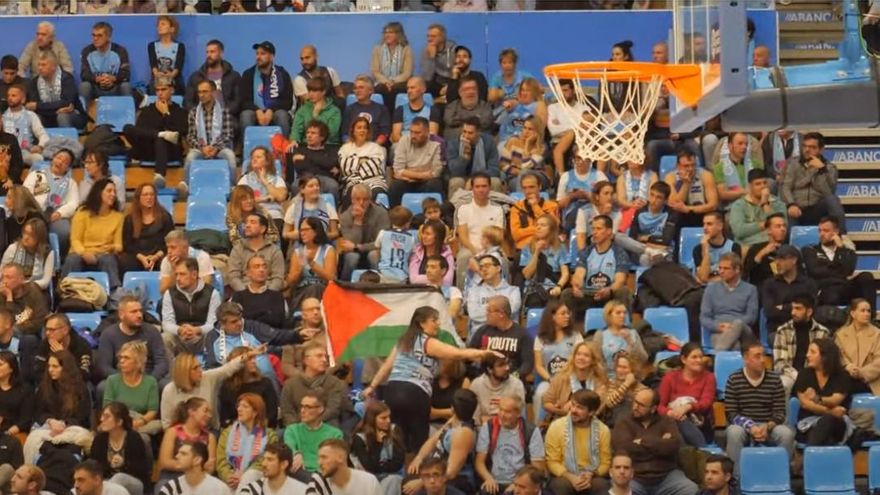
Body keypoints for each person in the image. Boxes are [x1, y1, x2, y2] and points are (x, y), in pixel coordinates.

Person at [363, 306, 500, 453]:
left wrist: (372, 387)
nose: (438, 324)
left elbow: (386, 366)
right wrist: (485, 353)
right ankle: (415, 467)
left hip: (392, 391)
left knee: (398, 440)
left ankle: (399, 466)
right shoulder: (427, 342)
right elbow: (458, 354)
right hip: (415, 393)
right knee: (418, 445)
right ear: (422, 323)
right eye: (434, 320)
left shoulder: (403, 340)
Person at [723, 341, 793, 478]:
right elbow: (731, 414)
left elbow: (780, 413)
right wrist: (750, 426)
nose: (762, 360)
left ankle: (780, 477)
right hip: (744, 426)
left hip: (769, 425)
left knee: (786, 434)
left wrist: (767, 426)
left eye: (763, 355)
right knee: (734, 432)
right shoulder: (734, 379)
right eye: (757, 356)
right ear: (746, 358)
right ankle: (736, 479)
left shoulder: (774, 379)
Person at [611, 388, 697, 495]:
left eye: (641, 405)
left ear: (653, 409)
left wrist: (643, 441)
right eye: (635, 402)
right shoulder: (624, 423)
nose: (635, 407)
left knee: (691, 489)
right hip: (635, 477)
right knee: (620, 490)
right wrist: (660, 444)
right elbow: (623, 449)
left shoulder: (666, 421)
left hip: (666, 476)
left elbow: (673, 446)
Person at [23, 350, 92, 464]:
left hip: (71, 428)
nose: (50, 370)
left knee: (74, 445)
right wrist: (50, 421)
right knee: (34, 442)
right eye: (49, 366)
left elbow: (82, 417)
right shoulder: (44, 387)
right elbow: (38, 413)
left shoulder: (80, 389)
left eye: (55, 366)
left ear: (66, 368)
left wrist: (63, 424)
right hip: (47, 428)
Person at [405, 388, 479, 495]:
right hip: (436, 470)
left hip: (456, 480)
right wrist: (419, 457)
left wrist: (422, 482)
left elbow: (451, 472)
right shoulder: (453, 420)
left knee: (410, 488)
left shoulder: (464, 433)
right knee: (408, 478)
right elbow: (433, 440)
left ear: (452, 408)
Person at [803, 216, 876, 314]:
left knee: (866, 276)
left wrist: (841, 248)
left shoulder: (847, 251)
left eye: (826, 230)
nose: (822, 234)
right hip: (825, 289)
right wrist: (839, 270)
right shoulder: (810, 250)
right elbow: (815, 272)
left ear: (836, 232)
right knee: (832, 294)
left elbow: (848, 270)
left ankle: (871, 317)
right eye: (820, 231)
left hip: (844, 288)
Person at [60, 177, 123, 289]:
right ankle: (65, 291)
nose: (113, 194)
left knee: (108, 260)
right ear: (99, 192)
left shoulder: (118, 217)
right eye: (109, 191)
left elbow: (119, 245)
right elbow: (75, 240)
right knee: (72, 260)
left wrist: (113, 247)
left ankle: (114, 292)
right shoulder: (82, 212)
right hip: (81, 252)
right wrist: (84, 253)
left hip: (103, 254)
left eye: (114, 191)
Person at [545, 389, 610, 495]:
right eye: (573, 405)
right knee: (560, 486)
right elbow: (552, 461)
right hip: (564, 475)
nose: (573, 410)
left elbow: (605, 463)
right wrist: (571, 477)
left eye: (580, 408)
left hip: (591, 476)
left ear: (591, 412)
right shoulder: (556, 426)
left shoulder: (603, 430)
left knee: (602, 486)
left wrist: (591, 474)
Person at [564, 215, 631, 315]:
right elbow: (578, 274)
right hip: (588, 294)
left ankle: (623, 322)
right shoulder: (586, 252)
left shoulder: (619, 253)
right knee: (567, 293)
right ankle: (570, 324)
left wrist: (609, 290)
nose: (594, 232)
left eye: (598, 229)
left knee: (623, 291)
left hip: (609, 295)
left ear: (609, 231)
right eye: (593, 229)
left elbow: (620, 280)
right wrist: (577, 285)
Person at [780, 132, 846, 229]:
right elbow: (785, 187)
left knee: (832, 199)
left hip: (817, 209)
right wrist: (791, 204)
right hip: (797, 207)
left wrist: (821, 170)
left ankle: (841, 234)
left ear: (821, 150)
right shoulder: (792, 163)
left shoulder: (829, 168)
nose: (807, 150)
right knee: (788, 212)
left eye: (812, 147)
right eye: (804, 146)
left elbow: (828, 192)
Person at [794, 338, 852, 446]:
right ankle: (814, 452)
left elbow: (835, 400)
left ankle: (809, 454)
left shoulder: (842, 375)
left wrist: (817, 399)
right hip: (808, 422)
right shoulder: (804, 374)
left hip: (837, 423)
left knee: (828, 421)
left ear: (825, 356)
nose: (807, 355)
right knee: (826, 437)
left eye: (812, 352)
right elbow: (805, 404)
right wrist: (830, 411)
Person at [96, 295, 169, 383]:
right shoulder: (108, 334)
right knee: (102, 387)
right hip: (120, 378)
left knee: (166, 385)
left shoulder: (152, 331)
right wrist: (125, 380)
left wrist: (149, 381)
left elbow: (161, 362)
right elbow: (104, 367)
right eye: (133, 312)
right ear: (121, 315)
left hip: (148, 377)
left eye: (140, 311)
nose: (139, 315)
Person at [217, 393, 277, 493]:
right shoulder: (227, 433)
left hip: (257, 475)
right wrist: (228, 476)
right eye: (238, 406)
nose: (239, 409)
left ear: (255, 412)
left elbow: (266, 460)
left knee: (249, 476)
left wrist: (243, 474)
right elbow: (221, 461)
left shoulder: (269, 435)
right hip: (232, 476)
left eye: (245, 406)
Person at [21, 149, 77, 256]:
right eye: (59, 158)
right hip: (35, 212)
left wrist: (59, 213)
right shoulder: (36, 175)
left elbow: (73, 203)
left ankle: (58, 258)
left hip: (56, 215)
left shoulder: (71, 183)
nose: (60, 162)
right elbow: (25, 193)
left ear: (68, 168)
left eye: (65, 162)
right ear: (53, 158)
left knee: (64, 230)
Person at [161, 257, 222, 356]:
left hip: (202, 337)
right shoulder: (169, 293)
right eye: (176, 274)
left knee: (215, 335)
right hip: (180, 336)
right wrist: (180, 330)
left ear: (194, 274)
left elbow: (214, 323)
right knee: (165, 338)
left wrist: (197, 330)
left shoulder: (212, 293)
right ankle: (171, 366)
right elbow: (167, 323)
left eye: (182, 274)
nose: (178, 278)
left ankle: (211, 364)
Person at [658, 343, 715, 447]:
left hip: (700, 423)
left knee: (680, 422)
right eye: (694, 357)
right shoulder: (670, 378)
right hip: (672, 421)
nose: (699, 360)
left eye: (701, 357)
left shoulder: (709, 377)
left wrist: (687, 407)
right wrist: (671, 413)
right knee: (679, 420)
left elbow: (706, 403)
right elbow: (660, 406)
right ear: (684, 359)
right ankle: (701, 449)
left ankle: (699, 448)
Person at [280, 340, 347, 426]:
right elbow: (287, 412)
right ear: (306, 360)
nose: (324, 360)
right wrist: (297, 428)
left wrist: (311, 425)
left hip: (325, 427)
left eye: (325, 357)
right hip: (297, 429)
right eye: (319, 356)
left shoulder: (335, 383)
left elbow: (332, 410)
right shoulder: (290, 384)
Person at [454, 172, 505, 287]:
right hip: (470, 248)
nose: (481, 190)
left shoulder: (498, 209)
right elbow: (462, 235)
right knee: (463, 257)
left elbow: (499, 235)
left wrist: (488, 251)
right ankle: (461, 293)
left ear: (489, 188)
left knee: (504, 260)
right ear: (472, 188)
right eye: (477, 186)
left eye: (484, 186)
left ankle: (502, 292)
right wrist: (475, 251)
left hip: (492, 248)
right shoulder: (463, 208)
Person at [700, 252, 758, 351]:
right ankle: (722, 353)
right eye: (720, 268)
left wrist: (732, 326)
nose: (721, 271)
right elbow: (704, 317)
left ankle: (718, 355)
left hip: (743, 331)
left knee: (738, 323)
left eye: (726, 268)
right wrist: (718, 327)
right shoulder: (710, 289)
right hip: (720, 331)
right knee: (735, 346)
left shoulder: (751, 289)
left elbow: (751, 317)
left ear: (737, 269)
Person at [102, 341, 162, 436]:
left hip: (140, 422)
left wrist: (139, 422)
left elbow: (152, 411)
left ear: (138, 362)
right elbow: (108, 407)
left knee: (157, 426)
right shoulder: (112, 380)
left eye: (126, 358)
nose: (121, 361)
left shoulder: (151, 382)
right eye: (121, 357)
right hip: (118, 421)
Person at [91, 403, 152, 495]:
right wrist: (108, 465)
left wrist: (124, 463)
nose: (101, 419)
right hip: (107, 481)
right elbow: (93, 467)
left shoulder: (134, 438)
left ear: (119, 421)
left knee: (119, 478)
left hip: (134, 483)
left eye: (107, 416)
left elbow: (142, 470)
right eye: (102, 416)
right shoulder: (99, 439)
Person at [184, 80, 236, 187]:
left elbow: (228, 135)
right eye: (199, 92)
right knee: (190, 157)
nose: (201, 95)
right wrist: (202, 148)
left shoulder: (224, 111)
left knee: (230, 156)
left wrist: (215, 148)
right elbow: (191, 136)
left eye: (205, 91)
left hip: (219, 149)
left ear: (213, 93)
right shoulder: (193, 112)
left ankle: (232, 187)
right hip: (200, 149)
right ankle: (187, 187)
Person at [469, 296, 533, 378]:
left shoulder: (522, 334)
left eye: (489, 311)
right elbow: (469, 355)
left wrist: (513, 378)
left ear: (501, 314)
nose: (486, 314)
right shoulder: (483, 331)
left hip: (511, 379)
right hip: (485, 379)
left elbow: (528, 364)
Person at [542, 341, 607, 421]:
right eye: (578, 354)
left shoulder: (599, 381)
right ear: (574, 357)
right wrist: (562, 411)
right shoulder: (561, 378)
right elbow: (547, 402)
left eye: (586, 355)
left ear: (593, 360)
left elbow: (600, 408)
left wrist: (577, 408)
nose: (581, 358)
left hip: (591, 422)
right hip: (563, 421)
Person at [761, 245, 818, 336]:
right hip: (778, 330)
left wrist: (784, 307)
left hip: (803, 329)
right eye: (776, 259)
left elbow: (811, 310)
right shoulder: (769, 284)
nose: (777, 263)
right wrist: (798, 310)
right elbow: (770, 312)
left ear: (794, 260)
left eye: (782, 259)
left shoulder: (809, 284)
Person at [350, 401, 405, 495]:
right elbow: (369, 467)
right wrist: (378, 444)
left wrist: (379, 467)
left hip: (392, 475)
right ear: (372, 419)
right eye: (383, 418)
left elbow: (398, 463)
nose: (388, 421)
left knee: (393, 480)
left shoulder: (394, 430)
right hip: (367, 478)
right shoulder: (359, 438)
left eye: (389, 417)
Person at [239, 41, 293, 137]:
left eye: (262, 54)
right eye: (257, 54)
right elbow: (243, 101)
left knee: (282, 115)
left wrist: (271, 110)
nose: (258, 57)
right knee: (246, 115)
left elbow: (288, 102)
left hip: (275, 111)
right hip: (254, 111)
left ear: (271, 57)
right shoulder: (248, 74)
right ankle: (248, 146)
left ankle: (283, 146)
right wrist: (257, 111)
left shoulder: (282, 74)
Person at [120, 183, 174, 276]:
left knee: (166, 262)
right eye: (145, 195)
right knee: (125, 262)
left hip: (159, 255)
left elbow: (170, 241)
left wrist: (156, 256)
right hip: (137, 256)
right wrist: (142, 258)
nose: (149, 197)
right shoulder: (130, 219)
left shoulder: (165, 217)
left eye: (152, 194)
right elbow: (127, 245)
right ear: (139, 198)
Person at [338, 184, 389, 281]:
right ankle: (345, 285)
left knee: (373, 255)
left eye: (365, 199)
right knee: (352, 257)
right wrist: (358, 221)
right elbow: (349, 244)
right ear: (352, 200)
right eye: (357, 199)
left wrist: (357, 247)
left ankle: (381, 284)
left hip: (372, 250)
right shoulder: (345, 216)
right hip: (354, 252)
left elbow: (381, 243)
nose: (361, 203)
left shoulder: (381, 213)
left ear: (370, 200)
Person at [218, 347, 279, 429]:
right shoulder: (228, 387)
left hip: (262, 429)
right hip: (235, 430)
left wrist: (256, 429)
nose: (254, 362)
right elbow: (225, 418)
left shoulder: (265, 383)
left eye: (254, 358)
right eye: (250, 359)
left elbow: (272, 414)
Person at [389, 117, 444, 206]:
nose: (413, 136)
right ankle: (395, 213)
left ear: (427, 132)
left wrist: (408, 172)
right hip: (407, 182)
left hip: (425, 183)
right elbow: (398, 169)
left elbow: (436, 172)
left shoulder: (436, 143)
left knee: (435, 183)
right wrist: (421, 175)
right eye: (411, 132)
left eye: (417, 133)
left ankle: (432, 212)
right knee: (396, 185)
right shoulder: (404, 140)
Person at [285, 217, 337, 307]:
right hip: (302, 291)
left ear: (316, 231)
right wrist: (299, 270)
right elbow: (290, 281)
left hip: (323, 291)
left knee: (316, 288)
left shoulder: (328, 250)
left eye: (306, 230)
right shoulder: (298, 252)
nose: (302, 233)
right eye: (301, 230)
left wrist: (312, 263)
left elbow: (331, 278)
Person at [227, 212, 286, 293]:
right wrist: (246, 293)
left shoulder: (274, 250)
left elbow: (278, 279)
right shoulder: (238, 249)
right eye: (246, 222)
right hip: (244, 292)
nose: (247, 225)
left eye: (253, 222)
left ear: (263, 229)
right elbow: (233, 277)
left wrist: (267, 294)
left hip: (269, 292)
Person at [26, 52, 86, 129]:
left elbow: (66, 103)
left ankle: (66, 137)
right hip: (47, 117)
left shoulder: (67, 79)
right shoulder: (34, 82)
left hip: (73, 115)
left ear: (53, 66)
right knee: (35, 118)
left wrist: (39, 106)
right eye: (39, 65)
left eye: (43, 65)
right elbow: (33, 106)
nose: (40, 68)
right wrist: (54, 111)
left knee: (62, 116)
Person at [465, 256, 522, 337]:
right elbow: (474, 314)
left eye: (487, 266)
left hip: (507, 337)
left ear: (498, 268)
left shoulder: (513, 291)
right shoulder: (474, 291)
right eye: (481, 267)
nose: (484, 269)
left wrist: (488, 312)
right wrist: (498, 314)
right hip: (481, 336)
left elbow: (509, 312)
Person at [728, 169, 786, 248]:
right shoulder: (738, 205)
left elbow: (781, 231)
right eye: (758, 184)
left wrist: (765, 204)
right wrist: (765, 225)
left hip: (773, 245)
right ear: (750, 186)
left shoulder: (778, 203)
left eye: (765, 183)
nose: (763, 186)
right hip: (747, 247)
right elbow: (739, 231)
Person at [184, 39, 242, 118]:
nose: (209, 55)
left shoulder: (233, 76)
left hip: (226, 116)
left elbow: (237, 101)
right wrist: (200, 112)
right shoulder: (196, 77)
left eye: (212, 52)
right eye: (207, 52)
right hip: (201, 117)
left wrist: (223, 112)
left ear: (221, 54)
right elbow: (188, 101)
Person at [834, 298, 880, 395]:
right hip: (847, 377)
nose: (867, 314)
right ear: (853, 313)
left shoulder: (877, 334)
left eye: (868, 311)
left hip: (871, 382)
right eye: (862, 311)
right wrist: (848, 366)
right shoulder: (841, 334)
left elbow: (878, 362)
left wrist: (861, 372)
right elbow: (839, 355)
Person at [338, 117, 388, 205]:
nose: (362, 130)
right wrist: (364, 161)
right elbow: (345, 168)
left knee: (377, 193)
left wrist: (353, 162)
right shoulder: (345, 148)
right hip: (353, 181)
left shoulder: (376, 148)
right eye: (359, 127)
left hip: (374, 181)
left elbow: (375, 169)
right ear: (353, 131)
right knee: (352, 193)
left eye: (365, 128)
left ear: (368, 131)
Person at [663, 148, 719, 228]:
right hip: (680, 215)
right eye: (686, 166)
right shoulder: (670, 177)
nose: (690, 169)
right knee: (673, 216)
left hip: (700, 213)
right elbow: (675, 204)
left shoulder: (706, 175)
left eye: (693, 165)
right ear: (678, 166)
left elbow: (713, 205)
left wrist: (688, 209)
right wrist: (686, 183)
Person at [78, 21, 132, 103]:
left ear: (108, 37)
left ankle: (128, 111)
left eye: (99, 35)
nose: (95, 38)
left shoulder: (120, 51)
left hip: (114, 87)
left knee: (126, 86)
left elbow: (126, 74)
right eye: (93, 35)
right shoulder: (87, 51)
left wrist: (113, 79)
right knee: (84, 86)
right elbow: (84, 74)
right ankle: (82, 110)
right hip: (96, 87)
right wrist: (98, 79)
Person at [446, 115, 499, 196]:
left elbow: (494, 169)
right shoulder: (453, 143)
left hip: (483, 176)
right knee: (456, 182)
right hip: (462, 177)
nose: (466, 136)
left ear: (478, 132)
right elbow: (454, 171)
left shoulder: (489, 142)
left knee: (495, 181)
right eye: (464, 132)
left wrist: (474, 179)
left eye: (470, 133)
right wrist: (464, 158)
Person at [231, 255, 289, 329]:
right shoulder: (238, 297)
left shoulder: (277, 296)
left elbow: (278, 321)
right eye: (256, 267)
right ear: (248, 273)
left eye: (264, 267)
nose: (261, 270)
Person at [306, 439, 381, 495]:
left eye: (324, 457)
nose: (319, 463)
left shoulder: (369, 481)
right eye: (319, 458)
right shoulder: (318, 481)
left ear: (341, 458)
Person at [711, 132, 764, 207]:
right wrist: (744, 192)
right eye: (740, 143)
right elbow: (722, 194)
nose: (744, 147)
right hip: (731, 208)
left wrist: (736, 193)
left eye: (746, 144)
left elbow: (762, 189)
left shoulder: (755, 164)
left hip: (755, 205)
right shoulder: (719, 167)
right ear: (730, 146)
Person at [0, 350, 32, 473]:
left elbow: (26, 419)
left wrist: (11, 431)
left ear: (11, 368)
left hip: (14, 431)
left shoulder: (24, 390)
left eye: (1, 364)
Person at [158, 441, 231, 495]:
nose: (177, 456)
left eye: (183, 454)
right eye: (178, 453)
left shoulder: (219, 489)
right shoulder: (170, 488)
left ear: (197, 460)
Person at [0, 215, 52, 290]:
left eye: (31, 235)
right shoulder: (13, 248)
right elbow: (1, 272)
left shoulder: (47, 253)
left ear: (39, 238)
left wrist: (22, 284)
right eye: (25, 233)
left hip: (35, 290)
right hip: (11, 288)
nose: (26, 237)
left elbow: (45, 282)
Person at [371, 22, 414, 112]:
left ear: (398, 34)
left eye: (390, 32)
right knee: (381, 89)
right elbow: (375, 71)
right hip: (383, 82)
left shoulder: (406, 49)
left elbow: (407, 73)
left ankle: (395, 116)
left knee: (396, 89)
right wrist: (386, 81)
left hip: (400, 82)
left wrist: (393, 81)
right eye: (385, 32)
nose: (387, 35)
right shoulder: (377, 49)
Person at [34, 313, 92, 380]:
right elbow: (38, 371)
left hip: (74, 383)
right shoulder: (46, 343)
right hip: (50, 382)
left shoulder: (82, 345)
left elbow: (85, 374)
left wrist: (65, 357)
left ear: (65, 330)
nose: (47, 333)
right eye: (46, 329)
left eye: (52, 330)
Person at [593, 300, 648, 371]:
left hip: (630, 374)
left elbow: (643, 358)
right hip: (608, 375)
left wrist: (630, 341)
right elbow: (596, 360)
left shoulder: (632, 333)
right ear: (609, 315)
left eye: (624, 313)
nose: (622, 316)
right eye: (618, 313)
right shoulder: (600, 334)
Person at [470, 355, 526, 424]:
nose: (507, 368)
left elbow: (517, 416)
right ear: (489, 369)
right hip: (482, 428)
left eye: (506, 363)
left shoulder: (516, 385)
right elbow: (475, 418)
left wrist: (492, 420)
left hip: (508, 427)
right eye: (501, 365)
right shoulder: (477, 385)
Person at [3, 85, 49, 166]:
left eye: (13, 95)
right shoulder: (2, 117)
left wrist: (40, 146)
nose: (10, 98)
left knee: (38, 158)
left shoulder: (31, 115)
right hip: (5, 152)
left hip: (24, 152)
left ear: (23, 99)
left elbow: (43, 135)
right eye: (8, 96)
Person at [510, 173, 558, 250]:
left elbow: (553, 228)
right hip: (523, 248)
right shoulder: (516, 208)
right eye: (524, 188)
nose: (528, 191)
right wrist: (540, 229)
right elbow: (515, 235)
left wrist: (535, 206)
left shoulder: (552, 206)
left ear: (540, 187)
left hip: (546, 247)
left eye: (531, 187)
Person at [496, 79, 547, 150]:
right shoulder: (516, 104)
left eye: (528, 90)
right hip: (505, 141)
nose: (524, 93)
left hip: (524, 144)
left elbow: (539, 129)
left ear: (534, 92)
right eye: (522, 90)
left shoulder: (539, 105)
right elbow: (511, 103)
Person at [239, 443, 307, 495]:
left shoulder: (302, 491)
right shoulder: (251, 490)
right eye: (264, 459)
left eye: (270, 460)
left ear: (284, 464)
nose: (263, 464)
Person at [0, 263, 48, 336]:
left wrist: (16, 329)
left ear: (21, 279)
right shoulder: (2, 295)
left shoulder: (33, 291)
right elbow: (6, 323)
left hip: (30, 334)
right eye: (3, 277)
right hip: (7, 335)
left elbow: (39, 320)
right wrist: (9, 298)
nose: (4, 281)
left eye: (9, 277)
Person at [341, 75, 390, 146]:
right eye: (355, 88)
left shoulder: (382, 109)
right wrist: (352, 147)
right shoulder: (349, 109)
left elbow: (384, 133)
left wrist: (373, 147)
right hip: (353, 146)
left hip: (375, 146)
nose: (357, 91)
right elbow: (345, 134)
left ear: (371, 90)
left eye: (361, 87)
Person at [291, 78, 341, 147]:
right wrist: (294, 140)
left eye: (314, 91)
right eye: (309, 91)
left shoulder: (334, 111)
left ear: (323, 92)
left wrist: (316, 114)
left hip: (328, 145)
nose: (311, 94)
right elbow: (296, 130)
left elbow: (331, 133)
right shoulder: (303, 109)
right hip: (307, 145)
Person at [743, 213, 788, 288]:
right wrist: (762, 253)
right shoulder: (756, 249)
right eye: (778, 226)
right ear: (768, 230)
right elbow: (747, 273)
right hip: (761, 288)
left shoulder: (790, 250)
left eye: (784, 226)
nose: (783, 229)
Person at [444, 76, 493, 143]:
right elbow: (449, 121)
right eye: (467, 89)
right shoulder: (452, 107)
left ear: (478, 91)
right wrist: (475, 119)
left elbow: (485, 122)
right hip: (455, 143)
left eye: (474, 89)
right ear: (460, 92)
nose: (471, 92)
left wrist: (460, 121)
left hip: (480, 143)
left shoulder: (485, 106)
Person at [693, 212, 739, 284]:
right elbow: (703, 277)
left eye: (709, 224)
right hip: (703, 289)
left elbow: (732, 276)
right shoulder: (698, 249)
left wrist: (709, 281)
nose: (705, 228)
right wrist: (706, 251)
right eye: (704, 224)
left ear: (720, 226)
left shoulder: (734, 247)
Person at [391, 77, 440, 143]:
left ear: (423, 89)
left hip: (425, 145)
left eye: (412, 88)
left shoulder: (432, 110)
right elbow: (395, 137)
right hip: (403, 145)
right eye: (407, 88)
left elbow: (432, 136)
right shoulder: (400, 110)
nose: (409, 91)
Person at [148, 16, 185, 94]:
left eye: (163, 24)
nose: (159, 27)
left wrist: (170, 76)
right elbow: (153, 65)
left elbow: (178, 66)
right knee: (153, 84)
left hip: (174, 77)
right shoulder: (152, 45)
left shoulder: (180, 46)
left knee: (178, 85)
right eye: (158, 25)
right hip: (157, 76)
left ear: (172, 29)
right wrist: (158, 75)